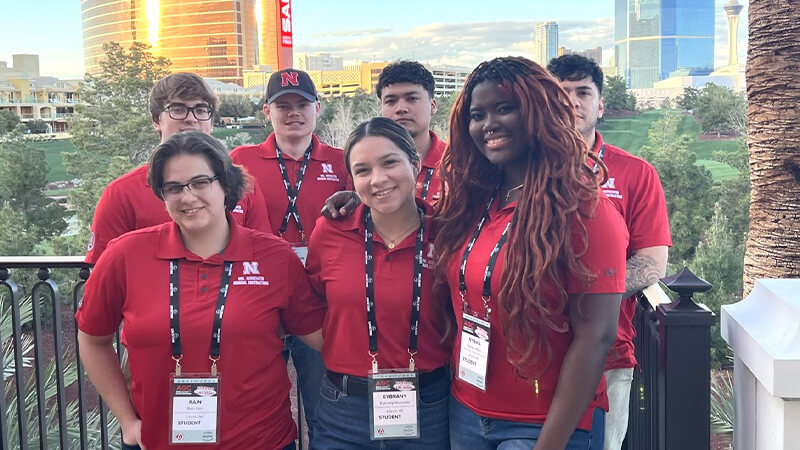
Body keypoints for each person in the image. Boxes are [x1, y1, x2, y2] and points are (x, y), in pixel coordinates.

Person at [76, 131, 325, 450]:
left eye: (200, 182)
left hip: (261, 441)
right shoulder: (125, 255)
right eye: (174, 188)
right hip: (157, 442)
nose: (188, 197)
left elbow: (321, 336)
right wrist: (127, 421)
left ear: (225, 185)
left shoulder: (274, 256)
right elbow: (92, 339)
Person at [434, 56, 628, 449]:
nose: (488, 124)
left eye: (505, 108)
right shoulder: (474, 202)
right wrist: (355, 203)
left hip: (542, 427)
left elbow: (597, 336)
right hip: (468, 414)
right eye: (477, 114)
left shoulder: (584, 209)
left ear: (540, 111)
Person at [547, 54, 672, 450]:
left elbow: (652, 260)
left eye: (583, 92)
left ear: (600, 105)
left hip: (607, 352)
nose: (571, 102)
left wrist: (597, 295)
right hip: (526, 353)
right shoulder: (515, 167)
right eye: (560, 93)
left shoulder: (635, 172)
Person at [305, 117, 452, 449]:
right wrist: (345, 347)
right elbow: (311, 306)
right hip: (345, 408)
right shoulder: (330, 233)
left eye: (389, 163)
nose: (378, 179)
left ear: (415, 165)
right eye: (363, 170)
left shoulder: (447, 235)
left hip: (427, 405)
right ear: (352, 180)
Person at [230, 68, 349, 441]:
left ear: (317, 109)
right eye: (283, 105)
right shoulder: (240, 160)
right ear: (267, 112)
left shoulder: (343, 161)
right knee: (258, 403)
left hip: (320, 301)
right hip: (260, 299)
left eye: (302, 104)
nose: (293, 113)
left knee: (324, 405)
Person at [85, 72, 271, 264]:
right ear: (156, 121)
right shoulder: (121, 194)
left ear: (212, 121)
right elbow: (103, 273)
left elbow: (263, 256)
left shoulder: (241, 184)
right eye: (178, 109)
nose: (191, 119)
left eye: (201, 110)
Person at [376, 61, 445, 203]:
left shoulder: (459, 163)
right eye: (391, 101)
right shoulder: (366, 166)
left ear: (432, 106)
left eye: (412, 99)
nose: (401, 108)